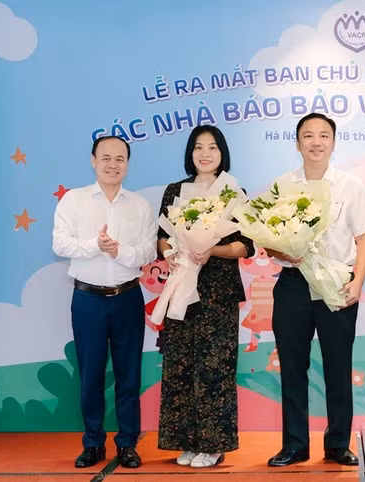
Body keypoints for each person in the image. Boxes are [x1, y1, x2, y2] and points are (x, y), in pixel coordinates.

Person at [266, 113, 365, 467]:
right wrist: (280, 250)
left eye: (324, 135)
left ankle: (338, 443)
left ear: (333, 142)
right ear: (297, 143)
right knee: (293, 367)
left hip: (337, 283)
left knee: (337, 367)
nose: (316, 142)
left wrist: (357, 282)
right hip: (293, 285)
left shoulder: (350, 185)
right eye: (308, 135)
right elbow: (267, 240)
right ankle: (295, 444)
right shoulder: (281, 186)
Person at [52, 136, 156, 469]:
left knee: (129, 375)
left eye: (120, 159)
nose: (113, 164)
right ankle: (93, 443)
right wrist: (95, 245)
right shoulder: (73, 200)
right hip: (87, 299)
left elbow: (148, 251)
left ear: (128, 163)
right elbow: (60, 244)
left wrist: (119, 251)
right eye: (106, 158)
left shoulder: (139, 205)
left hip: (127, 297)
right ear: (94, 160)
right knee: (91, 375)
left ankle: (127, 443)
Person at [156, 126, 255, 468]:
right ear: (190, 153)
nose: (205, 153)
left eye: (212, 147)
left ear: (222, 153)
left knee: (215, 368)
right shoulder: (174, 191)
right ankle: (185, 440)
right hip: (182, 287)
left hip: (218, 293)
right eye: (198, 147)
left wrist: (213, 249)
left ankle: (213, 444)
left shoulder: (233, 193)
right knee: (180, 365)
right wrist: (175, 252)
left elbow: (246, 244)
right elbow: (162, 237)